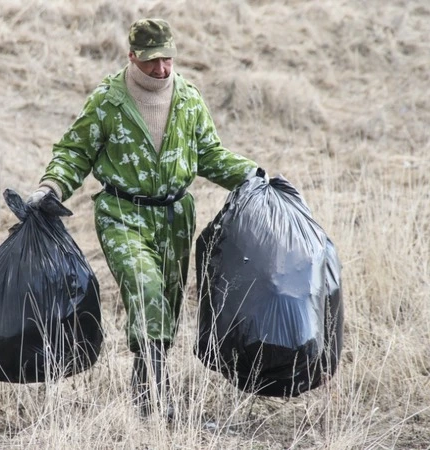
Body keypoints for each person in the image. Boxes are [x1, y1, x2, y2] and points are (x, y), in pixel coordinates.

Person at [26, 18, 267, 419]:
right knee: (146, 289)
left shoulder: (188, 98)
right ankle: (159, 398)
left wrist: (255, 176)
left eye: (167, 59)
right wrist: (51, 186)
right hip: (122, 213)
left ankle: (144, 388)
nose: (161, 69)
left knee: (165, 308)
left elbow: (210, 155)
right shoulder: (108, 99)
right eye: (152, 61)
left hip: (174, 218)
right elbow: (75, 151)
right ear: (132, 57)